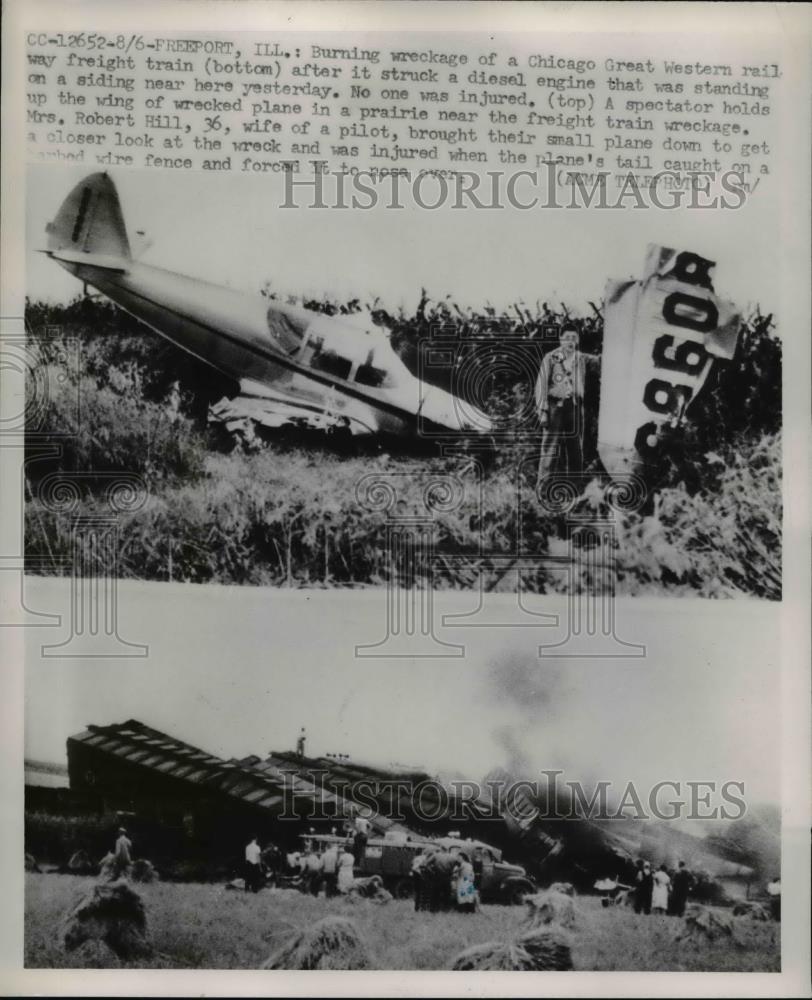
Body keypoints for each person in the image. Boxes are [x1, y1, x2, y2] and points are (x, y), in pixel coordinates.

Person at [535, 325, 599, 481]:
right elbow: (541, 385)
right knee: (550, 447)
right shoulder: (551, 357)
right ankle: (544, 487)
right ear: (561, 339)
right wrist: (542, 411)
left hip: (575, 407)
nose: (571, 341)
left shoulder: (581, 358)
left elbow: (601, 362)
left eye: (574, 338)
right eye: (567, 338)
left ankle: (575, 487)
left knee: (576, 448)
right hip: (554, 407)